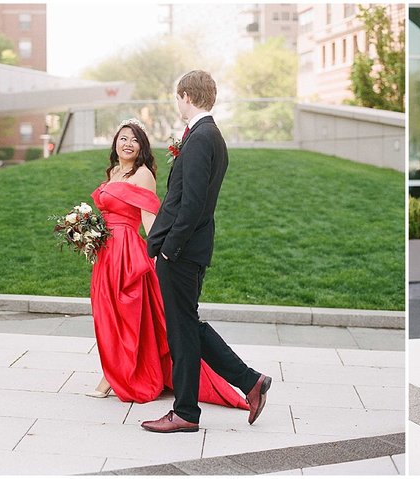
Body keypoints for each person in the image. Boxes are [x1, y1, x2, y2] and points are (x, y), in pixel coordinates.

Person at [88, 118, 248, 413]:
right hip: (106, 253)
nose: (127, 144)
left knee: (129, 318)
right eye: (123, 138)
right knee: (107, 315)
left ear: (142, 147)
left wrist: (157, 255)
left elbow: (150, 220)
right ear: (115, 143)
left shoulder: (144, 175)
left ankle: (119, 377)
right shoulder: (112, 172)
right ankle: (113, 371)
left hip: (128, 254)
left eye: (134, 140)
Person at [143, 70, 271, 433]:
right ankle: (250, 381)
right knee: (187, 327)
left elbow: (194, 203)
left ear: (185, 95)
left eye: (176, 96)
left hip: (182, 252)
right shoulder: (207, 135)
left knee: (182, 332)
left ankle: (186, 412)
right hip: (190, 249)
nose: (176, 102)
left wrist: (169, 248)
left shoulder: (201, 138)